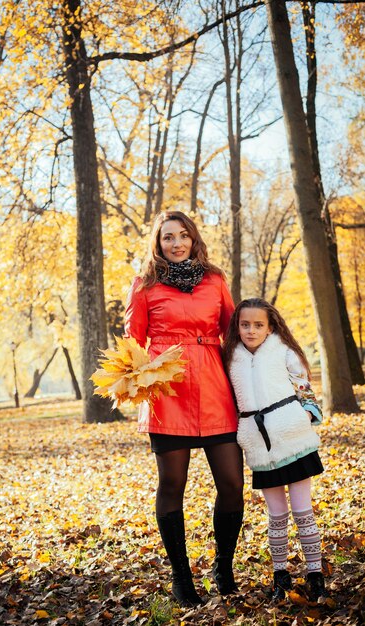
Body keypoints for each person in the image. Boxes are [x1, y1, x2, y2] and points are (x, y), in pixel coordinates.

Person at [124, 210, 244, 607]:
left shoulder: (215, 280)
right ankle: (181, 578)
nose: (176, 244)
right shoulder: (144, 285)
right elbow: (132, 343)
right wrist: (137, 381)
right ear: (157, 244)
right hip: (168, 393)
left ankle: (223, 567)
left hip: (214, 387)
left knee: (231, 483)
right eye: (167, 238)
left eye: (183, 236)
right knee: (172, 484)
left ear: (193, 239)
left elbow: (234, 331)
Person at [223, 297, 327, 603]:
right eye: (245, 325)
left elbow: (303, 386)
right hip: (259, 444)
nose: (251, 330)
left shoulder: (284, 350)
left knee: (302, 511)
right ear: (237, 326)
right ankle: (280, 574)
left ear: (270, 327)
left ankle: (314, 573)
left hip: (293, 436)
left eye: (258, 325)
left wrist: (306, 414)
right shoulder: (230, 357)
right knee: (277, 514)